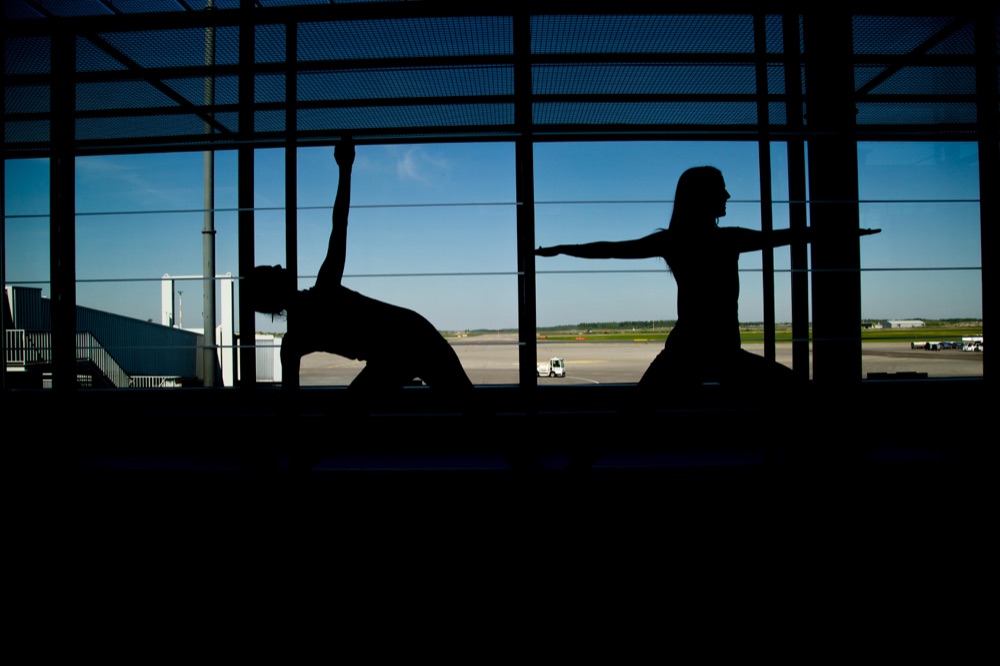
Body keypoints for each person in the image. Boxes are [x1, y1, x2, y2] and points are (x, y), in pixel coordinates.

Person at [536, 166, 880, 391]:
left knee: (631, 417)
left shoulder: (674, 241)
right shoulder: (726, 239)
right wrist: (843, 232)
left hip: (687, 350)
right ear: (702, 197)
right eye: (721, 190)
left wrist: (561, 249)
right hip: (721, 351)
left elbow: (609, 249)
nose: (728, 196)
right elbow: (790, 235)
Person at [245, 138, 475, 404]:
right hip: (413, 337)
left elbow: (289, 400)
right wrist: (345, 169)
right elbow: (339, 224)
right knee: (469, 405)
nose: (278, 266)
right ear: (272, 291)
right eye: (271, 271)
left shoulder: (295, 340)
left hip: (397, 351)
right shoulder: (324, 291)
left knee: (350, 409)